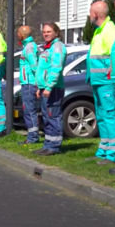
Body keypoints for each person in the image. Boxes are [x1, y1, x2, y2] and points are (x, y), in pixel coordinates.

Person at [85, 2, 115, 168]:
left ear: (95, 14)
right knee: (102, 116)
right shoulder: (100, 30)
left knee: (110, 116)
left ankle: (113, 154)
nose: (89, 15)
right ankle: (104, 151)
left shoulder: (110, 30)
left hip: (107, 82)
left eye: (90, 12)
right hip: (99, 82)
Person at [35, 23, 66, 156]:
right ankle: (48, 144)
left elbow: (56, 68)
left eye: (49, 31)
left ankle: (54, 146)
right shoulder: (47, 48)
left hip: (53, 88)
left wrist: (48, 87)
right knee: (47, 117)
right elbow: (42, 69)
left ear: (56, 33)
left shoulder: (58, 47)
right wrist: (39, 87)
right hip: (44, 88)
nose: (46, 34)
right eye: (44, 32)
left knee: (53, 117)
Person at [17, 26, 40, 145]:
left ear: (22, 35)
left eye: (18, 32)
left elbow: (34, 66)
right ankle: (32, 136)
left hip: (30, 83)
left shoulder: (29, 47)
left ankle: (33, 137)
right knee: (28, 110)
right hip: (28, 82)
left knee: (29, 110)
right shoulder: (28, 46)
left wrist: (37, 84)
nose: (17, 34)